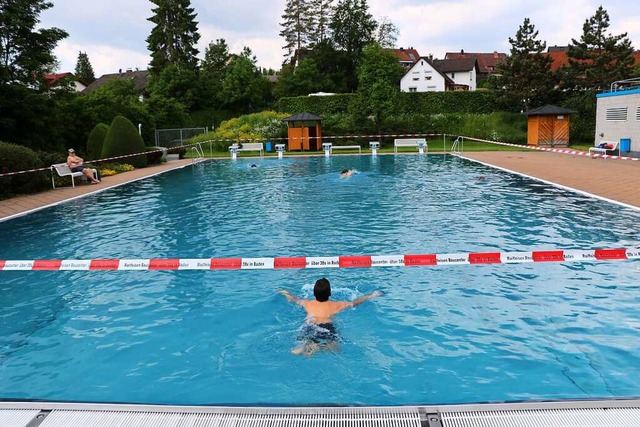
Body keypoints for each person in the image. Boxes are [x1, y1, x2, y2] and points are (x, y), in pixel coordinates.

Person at [278, 277, 382, 356]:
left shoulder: (307, 303)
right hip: (327, 327)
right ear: (330, 293)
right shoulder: (336, 305)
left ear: (314, 293)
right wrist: (370, 295)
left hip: (310, 325)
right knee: (335, 349)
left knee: (303, 345)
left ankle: (309, 347)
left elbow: (293, 299)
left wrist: (285, 293)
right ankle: (323, 347)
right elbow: (354, 303)